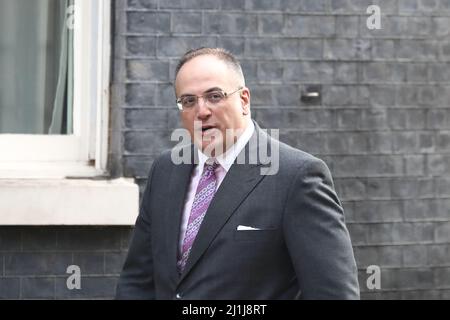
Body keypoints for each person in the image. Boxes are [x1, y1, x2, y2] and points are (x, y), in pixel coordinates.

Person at [116, 47, 360, 300]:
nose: (201, 111)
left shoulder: (296, 176)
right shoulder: (166, 170)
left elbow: (333, 293)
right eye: (188, 101)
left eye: (214, 96)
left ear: (244, 100)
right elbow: (137, 280)